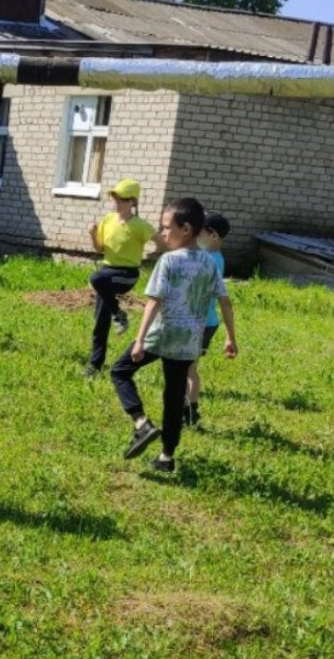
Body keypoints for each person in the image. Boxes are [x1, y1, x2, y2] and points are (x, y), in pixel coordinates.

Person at [111, 197, 237, 473]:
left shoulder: (168, 261)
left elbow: (154, 301)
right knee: (174, 395)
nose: (163, 233)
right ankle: (167, 457)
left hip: (162, 335)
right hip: (188, 341)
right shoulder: (209, 263)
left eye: (168, 228)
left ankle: (141, 424)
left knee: (120, 371)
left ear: (187, 229)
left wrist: (141, 339)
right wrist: (230, 338)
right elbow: (224, 301)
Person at [83, 178, 155, 377]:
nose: (117, 202)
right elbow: (100, 249)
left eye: (122, 198)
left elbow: (161, 243)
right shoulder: (108, 220)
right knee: (100, 323)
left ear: (133, 202)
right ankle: (94, 366)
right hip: (107, 274)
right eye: (115, 197)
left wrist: (156, 259)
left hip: (127, 274)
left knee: (96, 279)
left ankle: (118, 313)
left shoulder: (140, 225)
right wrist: (93, 234)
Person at [184, 211, 231, 427]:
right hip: (208, 321)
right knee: (190, 369)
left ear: (213, 235)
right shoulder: (216, 258)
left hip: (197, 322)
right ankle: (190, 412)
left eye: (199, 230)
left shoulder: (207, 260)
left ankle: (188, 413)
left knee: (186, 370)